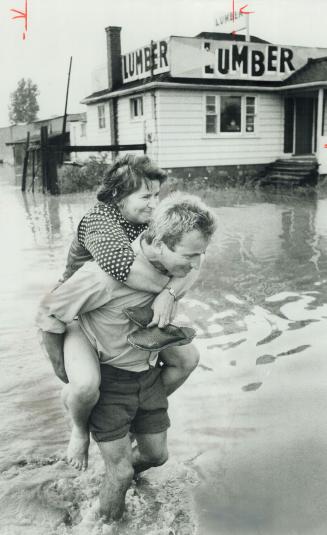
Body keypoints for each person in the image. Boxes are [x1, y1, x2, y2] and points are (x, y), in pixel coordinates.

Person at [37, 193, 217, 521]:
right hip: (111, 382)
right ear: (160, 242)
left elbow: (194, 266)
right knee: (120, 474)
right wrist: (63, 371)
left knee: (156, 455)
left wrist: (170, 292)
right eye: (190, 255)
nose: (195, 264)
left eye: (199, 254)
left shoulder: (177, 266)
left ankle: (103, 487)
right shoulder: (104, 275)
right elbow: (50, 313)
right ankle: (101, 523)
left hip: (148, 373)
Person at [39, 155, 200, 470]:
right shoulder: (100, 220)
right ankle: (80, 430)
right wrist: (167, 288)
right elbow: (120, 267)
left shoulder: (149, 218)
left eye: (157, 195)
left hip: (121, 307)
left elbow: (196, 254)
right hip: (78, 312)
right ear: (117, 196)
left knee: (187, 360)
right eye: (145, 196)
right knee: (85, 385)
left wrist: (169, 293)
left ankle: (133, 417)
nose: (155, 204)